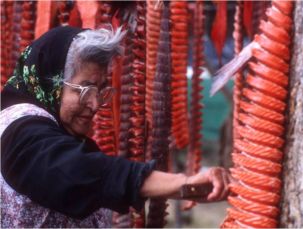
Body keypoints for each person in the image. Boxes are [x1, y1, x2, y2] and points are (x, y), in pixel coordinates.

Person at [1, 26, 232, 228]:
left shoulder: (52, 130)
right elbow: (77, 170)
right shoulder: (20, 132)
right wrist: (183, 182)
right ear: (50, 82)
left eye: (100, 90)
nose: (94, 104)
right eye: (84, 90)